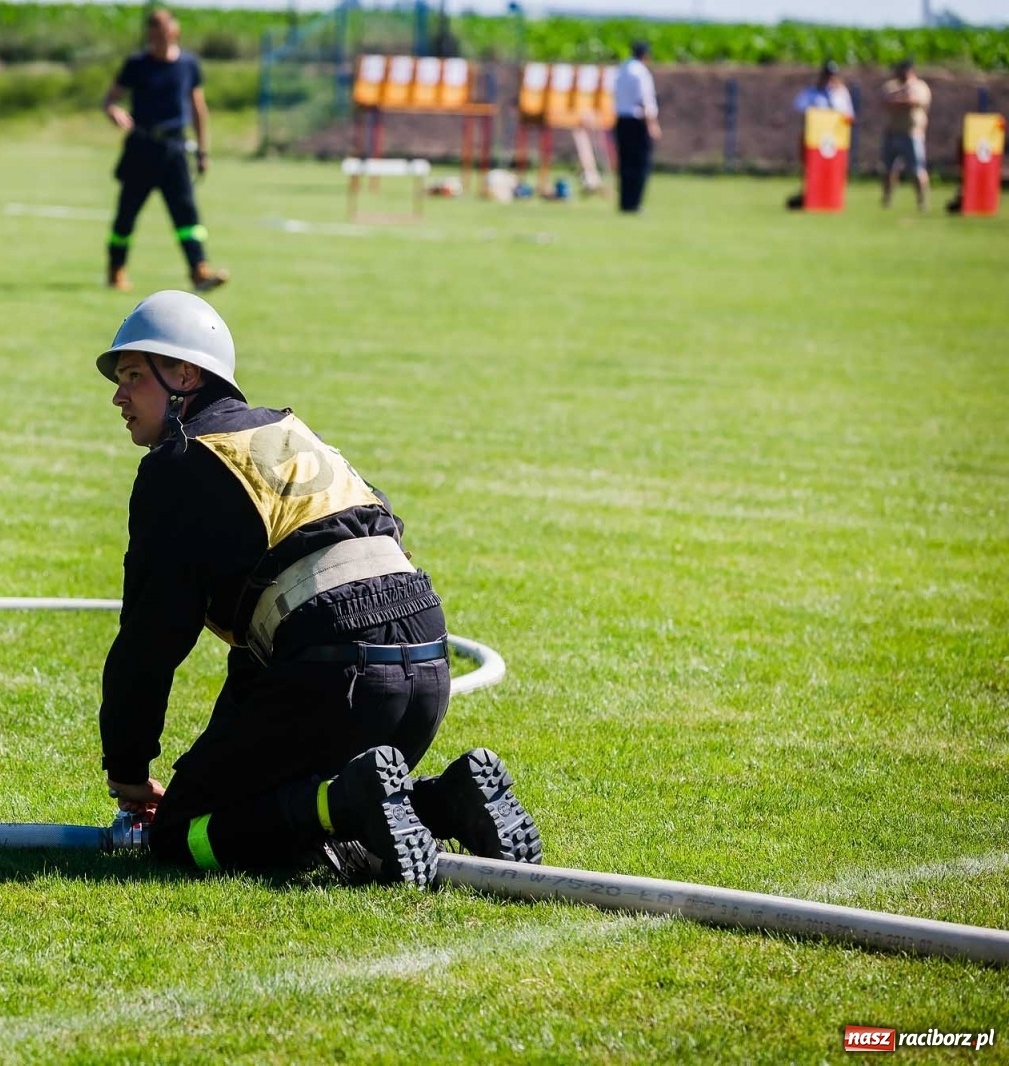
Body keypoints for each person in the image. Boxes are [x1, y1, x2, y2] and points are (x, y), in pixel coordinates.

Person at [95, 290, 542, 887]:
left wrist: (127, 771)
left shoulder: (180, 462)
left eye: (131, 376)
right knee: (299, 800)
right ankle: (447, 802)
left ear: (184, 373)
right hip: (423, 661)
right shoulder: (286, 432)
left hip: (338, 671)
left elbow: (150, 640)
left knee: (182, 832)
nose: (118, 396)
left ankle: (349, 801)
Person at [101, 9, 229, 294]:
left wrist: (203, 151)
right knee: (126, 215)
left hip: (174, 149)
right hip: (141, 148)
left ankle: (199, 270)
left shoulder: (188, 65)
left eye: (163, 31)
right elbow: (110, 99)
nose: (157, 38)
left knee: (187, 215)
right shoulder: (137, 64)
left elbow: (198, 108)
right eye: (152, 33)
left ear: (175, 31)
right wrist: (113, 111)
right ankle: (116, 269)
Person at [786, 61, 856, 210]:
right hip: (815, 139)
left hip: (836, 141)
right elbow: (799, 107)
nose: (829, 79)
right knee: (811, 168)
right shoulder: (812, 92)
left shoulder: (841, 94)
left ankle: (832, 197)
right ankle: (811, 196)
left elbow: (849, 115)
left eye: (832, 76)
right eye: (827, 75)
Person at [613, 40, 661, 214]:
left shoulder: (622, 69)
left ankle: (624, 202)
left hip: (621, 119)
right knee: (640, 164)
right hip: (637, 121)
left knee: (625, 163)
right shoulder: (641, 72)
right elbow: (645, 99)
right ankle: (634, 203)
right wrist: (652, 124)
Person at [881, 58, 931, 210]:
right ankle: (887, 200)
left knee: (917, 170)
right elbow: (885, 103)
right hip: (892, 133)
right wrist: (902, 99)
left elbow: (913, 102)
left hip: (912, 134)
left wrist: (900, 98)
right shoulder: (890, 86)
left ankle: (922, 201)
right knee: (889, 170)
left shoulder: (920, 86)